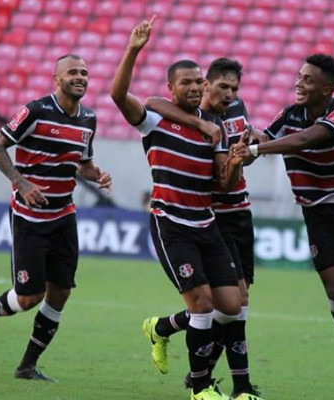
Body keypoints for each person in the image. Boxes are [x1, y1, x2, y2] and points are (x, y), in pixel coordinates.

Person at [109, 16, 241, 400]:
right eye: (186, 82)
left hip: (207, 223)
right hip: (171, 223)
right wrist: (134, 49)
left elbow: (224, 184)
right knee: (201, 305)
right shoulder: (155, 121)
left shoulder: (216, 126)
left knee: (229, 307)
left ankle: (161, 328)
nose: (195, 86)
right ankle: (200, 388)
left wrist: (234, 161)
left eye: (199, 81)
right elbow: (120, 96)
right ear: (171, 88)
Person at [232, 54, 334, 400]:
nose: (299, 83)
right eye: (299, 77)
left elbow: (303, 140)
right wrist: (231, 123)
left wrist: (256, 147)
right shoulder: (289, 114)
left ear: (327, 89)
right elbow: (263, 136)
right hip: (315, 211)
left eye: (308, 80)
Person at [0, 54, 112, 382]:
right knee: (29, 298)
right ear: (56, 79)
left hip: (63, 216)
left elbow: (82, 163)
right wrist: (21, 182)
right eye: (72, 72)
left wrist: (94, 174)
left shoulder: (88, 119)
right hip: (29, 217)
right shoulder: (35, 111)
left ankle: (27, 366)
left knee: (60, 291)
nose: (80, 77)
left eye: (84, 73)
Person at [141, 58, 265, 400]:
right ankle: (232, 385)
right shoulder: (193, 116)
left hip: (238, 214)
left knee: (233, 304)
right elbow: (150, 104)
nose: (229, 94)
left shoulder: (234, 110)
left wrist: (250, 150)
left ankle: (164, 329)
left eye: (234, 88)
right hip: (211, 216)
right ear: (204, 85)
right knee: (227, 305)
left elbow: (243, 152)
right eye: (221, 87)